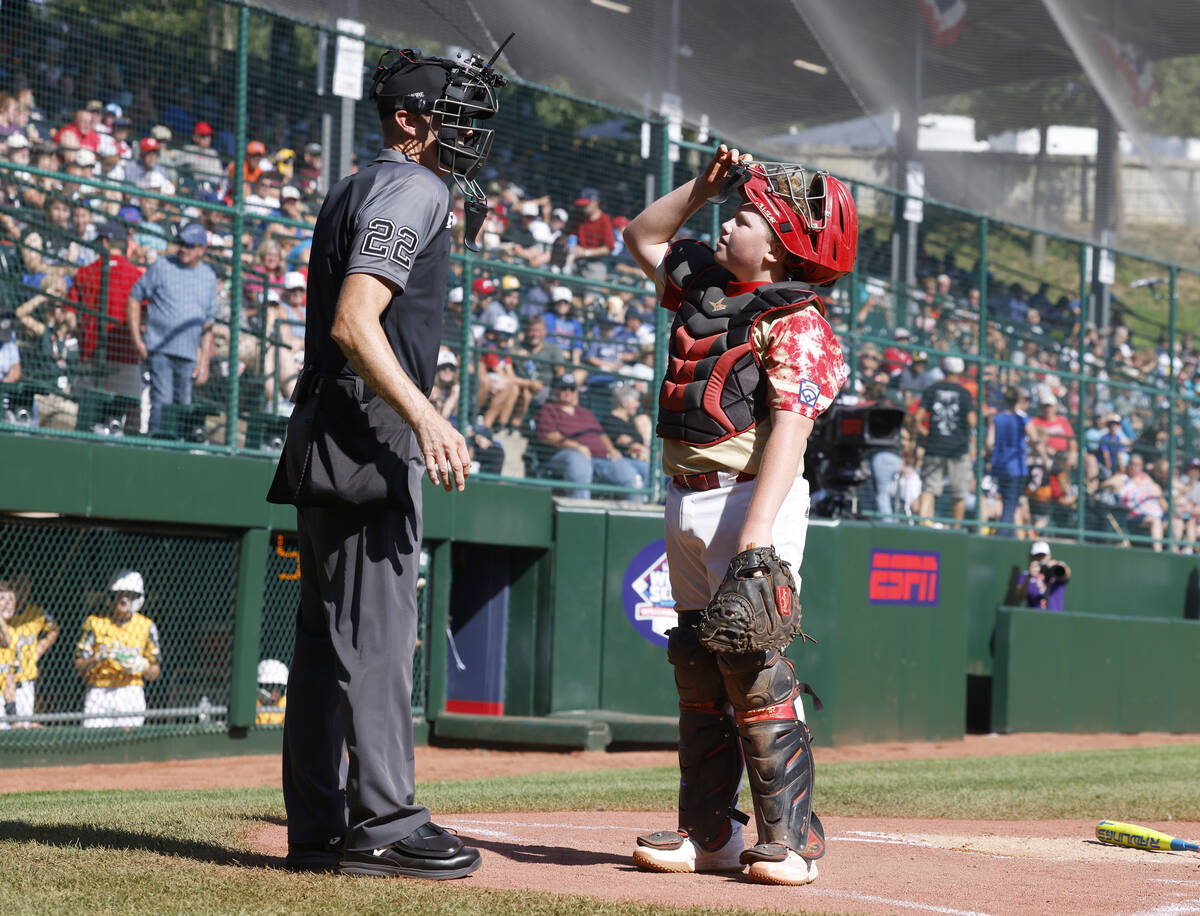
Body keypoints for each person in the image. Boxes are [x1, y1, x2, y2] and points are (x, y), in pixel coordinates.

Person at [265, 45, 507, 880]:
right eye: (455, 111)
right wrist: (428, 419)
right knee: (377, 637)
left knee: (329, 639)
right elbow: (355, 321)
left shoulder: (366, 183)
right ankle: (386, 826)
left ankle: (318, 828)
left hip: (327, 429)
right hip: (369, 437)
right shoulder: (415, 184)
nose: (470, 129)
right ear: (409, 120)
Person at [621, 146, 854, 885]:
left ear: (781, 246)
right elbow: (644, 237)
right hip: (686, 495)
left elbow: (792, 428)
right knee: (696, 662)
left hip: (753, 497)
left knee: (751, 665)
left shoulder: (797, 319)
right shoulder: (706, 288)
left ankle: (792, 839)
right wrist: (704, 187)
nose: (729, 226)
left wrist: (757, 533)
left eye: (745, 218)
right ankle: (710, 831)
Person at [127, 222, 217, 432]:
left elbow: (208, 322)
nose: (183, 249)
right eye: (181, 243)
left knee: (183, 405)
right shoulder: (162, 265)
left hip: (189, 354)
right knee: (162, 400)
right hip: (160, 348)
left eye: (190, 245)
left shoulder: (208, 277)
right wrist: (136, 339)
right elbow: (134, 297)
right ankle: (156, 450)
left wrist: (204, 361)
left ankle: (178, 451)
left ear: (201, 249)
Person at [74, 569, 162, 728]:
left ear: (138, 598)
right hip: (99, 691)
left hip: (130, 690)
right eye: (120, 593)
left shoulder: (146, 626)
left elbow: (155, 672)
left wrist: (141, 665)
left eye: (129, 594)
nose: (124, 599)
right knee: (94, 742)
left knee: (129, 744)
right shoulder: (95, 623)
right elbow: (78, 666)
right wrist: (97, 658)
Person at [535, 373, 645, 499]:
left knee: (631, 477)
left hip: (601, 457)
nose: (568, 392)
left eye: (572, 389)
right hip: (567, 455)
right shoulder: (548, 409)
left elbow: (601, 434)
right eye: (563, 388)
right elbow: (549, 436)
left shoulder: (585, 412)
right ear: (556, 390)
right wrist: (576, 446)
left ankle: (632, 514)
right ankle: (581, 510)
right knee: (578, 461)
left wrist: (611, 449)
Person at [914, 356, 977, 525]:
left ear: (943, 370)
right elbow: (972, 421)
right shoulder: (964, 393)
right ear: (961, 372)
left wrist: (926, 433)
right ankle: (956, 529)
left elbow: (917, 418)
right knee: (959, 493)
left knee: (929, 488)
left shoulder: (932, 389)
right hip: (958, 449)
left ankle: (923, 523)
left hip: (935, 446)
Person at [8, 573, 58, 726]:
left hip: (25, 683)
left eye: (25, 587)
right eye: (16, 586)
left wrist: (37, 651)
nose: (21, 591)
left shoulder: (37, 613)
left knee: (23, 729)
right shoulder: (4, 614)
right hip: (3, 681)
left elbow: (54, 629)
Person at [987, 387, 1029, 537]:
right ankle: (1003, 536)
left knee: (1007, 502)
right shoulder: (1022, 418)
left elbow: (989, 443)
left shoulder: (997, 418)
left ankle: (1008, 534)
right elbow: (1035, 438)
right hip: (1015, 468)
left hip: (999, 466)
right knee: (1010, 504)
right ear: (1018, 401)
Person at [1016, 540, 1071, 611]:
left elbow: (1067, 575)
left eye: (1043, 555)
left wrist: (1058, 565)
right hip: (1034, 617)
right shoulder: (1025, 576)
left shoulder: (1056, 571)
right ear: (1031, 557)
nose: (1041, 558)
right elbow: (1019, 597)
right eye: (1037, 555)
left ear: (1049, 555)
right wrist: (1029, 576)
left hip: (1055, 618)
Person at [256, 658, 289, 725]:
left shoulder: (285, 703)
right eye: (269, 686)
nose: (275, 691)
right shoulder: (253, 702)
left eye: (279, 686)